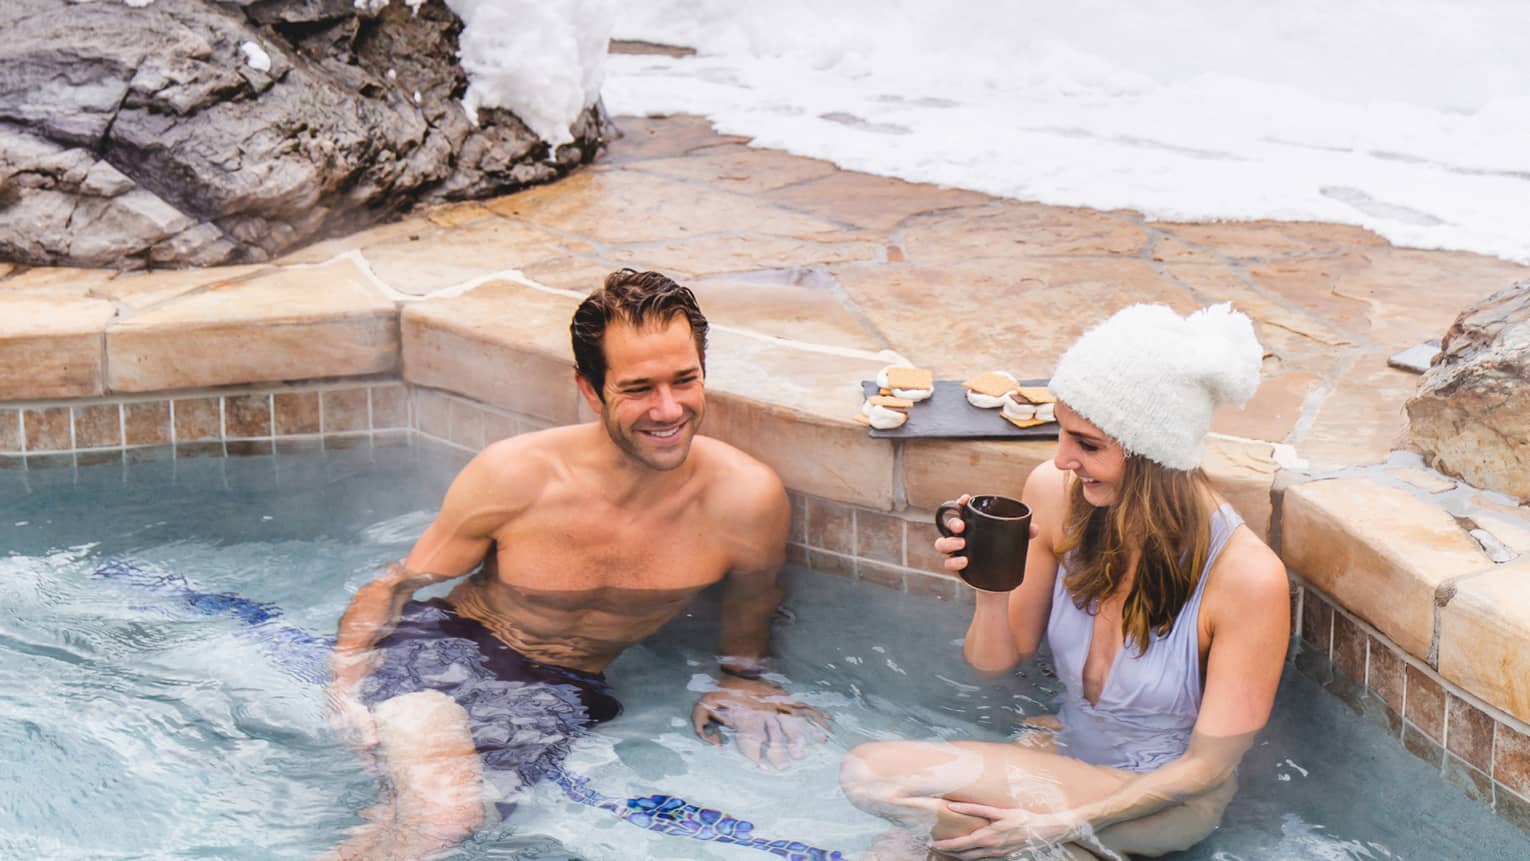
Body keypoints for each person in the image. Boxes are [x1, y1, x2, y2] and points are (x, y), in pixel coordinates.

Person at [323, 269, 828, 861]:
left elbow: (752, 601)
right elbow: (395, 586)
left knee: (423, 826)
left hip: (558, 695)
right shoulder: (516, 475)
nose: (668, 410)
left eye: (685, 381)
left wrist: (742, 679)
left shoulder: (746, 499)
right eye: (638, 388)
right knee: (446, 815)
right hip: (445, 653)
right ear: (590, 390)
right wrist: (344, 691)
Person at [839, 303, 1291, 860]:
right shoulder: (1055, 496)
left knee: (919, 834)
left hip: (1163, 802)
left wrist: (1058, 824)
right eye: (1062, 430)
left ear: (1155, 453)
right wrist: (989, 587)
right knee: (872, 785)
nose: (1061, 459)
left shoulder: (1246, 577)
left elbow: (1207, 767)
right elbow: (995, 661)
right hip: (1066, 760)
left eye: (1088, 444)